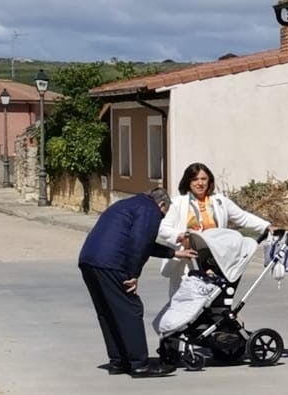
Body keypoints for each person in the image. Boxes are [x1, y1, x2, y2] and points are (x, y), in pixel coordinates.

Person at [79, 188, 175, 378]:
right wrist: (133, 274)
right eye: (163, 216)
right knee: (131, 309)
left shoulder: (128, 204)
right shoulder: (150, 210)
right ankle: (139, 364)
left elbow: (142, 242)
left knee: (107, 311)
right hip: (111, 262)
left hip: (89, 260)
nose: (160, 219)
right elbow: (139, 241)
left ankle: (118, 361)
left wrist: (173, 253)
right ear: (162, 205)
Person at [157, 162, 270, 298]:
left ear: (209, 181)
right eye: (195, 179)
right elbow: (163, 229)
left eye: (203, 179)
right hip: (187, 262)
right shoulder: (177, 203)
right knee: (185, 306)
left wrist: (266, 226)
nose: (200, 183)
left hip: (215, 261)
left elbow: (243, 218)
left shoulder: (219, 201)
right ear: (188, 182)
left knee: (214, 304)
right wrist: (180, 236)